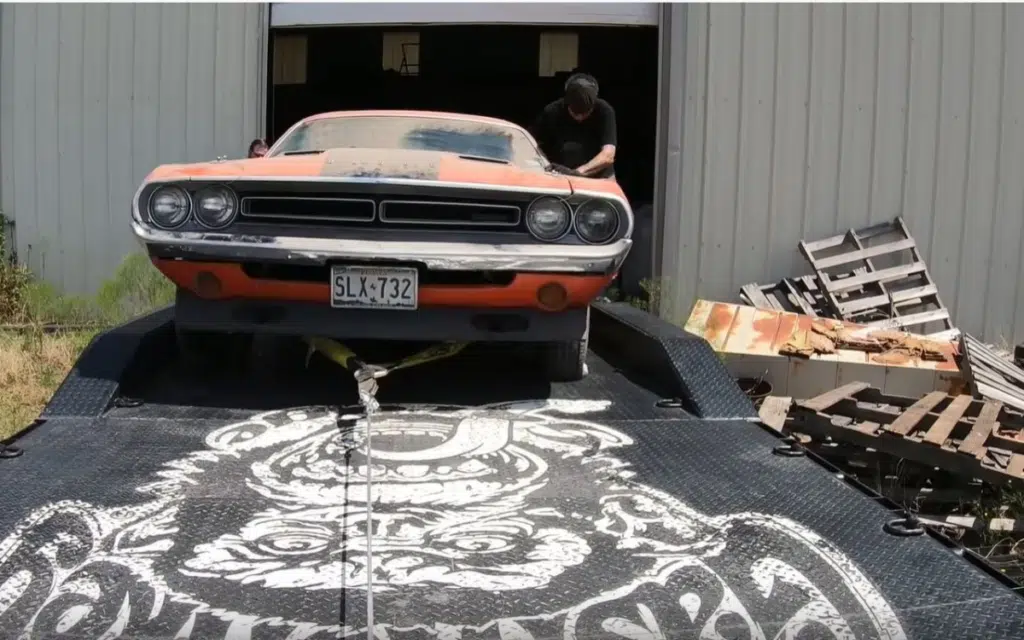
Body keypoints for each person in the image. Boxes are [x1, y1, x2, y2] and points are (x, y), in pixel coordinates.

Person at [529, 73, 617, 180]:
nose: (580, 117)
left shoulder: (605, 111)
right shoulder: (552, 111)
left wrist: (577, 172)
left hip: (599, 176)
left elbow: (608, 155)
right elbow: (531, 144)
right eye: (575, 113)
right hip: (559, 175)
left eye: (585, 113)